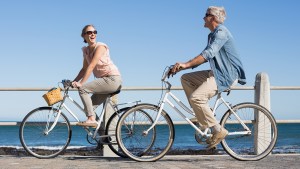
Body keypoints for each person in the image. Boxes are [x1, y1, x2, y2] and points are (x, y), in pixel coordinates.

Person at [169, 6, 246, 149]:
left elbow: (208, 54)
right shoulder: (212, 35)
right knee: (186, 78)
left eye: (206, 15)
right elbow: (205, 55)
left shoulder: (221, 32)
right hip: (217, 73)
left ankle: (218, 130)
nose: (203, 17)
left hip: (227, 75)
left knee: (196, 98)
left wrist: (185, 64)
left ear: (214, 18)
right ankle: (203, 116)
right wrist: (183, 67)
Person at [72, 24, 122, 127]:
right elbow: (84, 69)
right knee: (88, 108)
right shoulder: (86, 51)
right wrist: (73, 81)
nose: (93, 34)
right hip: (104, 81)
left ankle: (91, 119)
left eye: (94, 32)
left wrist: (81, 83)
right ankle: (102, 134)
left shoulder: (100, 47)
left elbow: (91, 66)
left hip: (112, 79)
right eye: (89, 32)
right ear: (83, 36)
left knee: (83, 89)